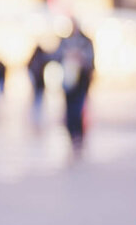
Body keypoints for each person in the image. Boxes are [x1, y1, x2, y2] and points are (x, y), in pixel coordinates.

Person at [55, 18, 94, 155]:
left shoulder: (86, 42)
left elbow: (90, 62)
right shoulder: (65, 42)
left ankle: (78, 135)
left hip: (81, 81)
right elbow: (57, 57)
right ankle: (72, 135)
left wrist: (81, 58)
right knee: (69, 109)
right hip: (68, 81)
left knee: (79, 109)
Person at [27, 45, 50, 129]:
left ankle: (36, 118)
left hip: (37, 83)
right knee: (38, 100)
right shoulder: (41, 60)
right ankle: (37, 118)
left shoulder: (34, 60)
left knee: (37, 100)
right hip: (39, 83)